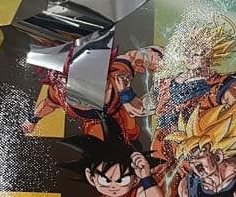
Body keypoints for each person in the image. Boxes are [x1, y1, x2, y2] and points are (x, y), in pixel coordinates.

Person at [25, 46, 163, 145]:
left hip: (119, 112)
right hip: (95, 123)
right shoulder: (58, 92)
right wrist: (32, 120)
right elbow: (48, 104)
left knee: (131, 133)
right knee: (101, 147)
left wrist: (152, 57)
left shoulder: (118, 74)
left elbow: (135, 56)